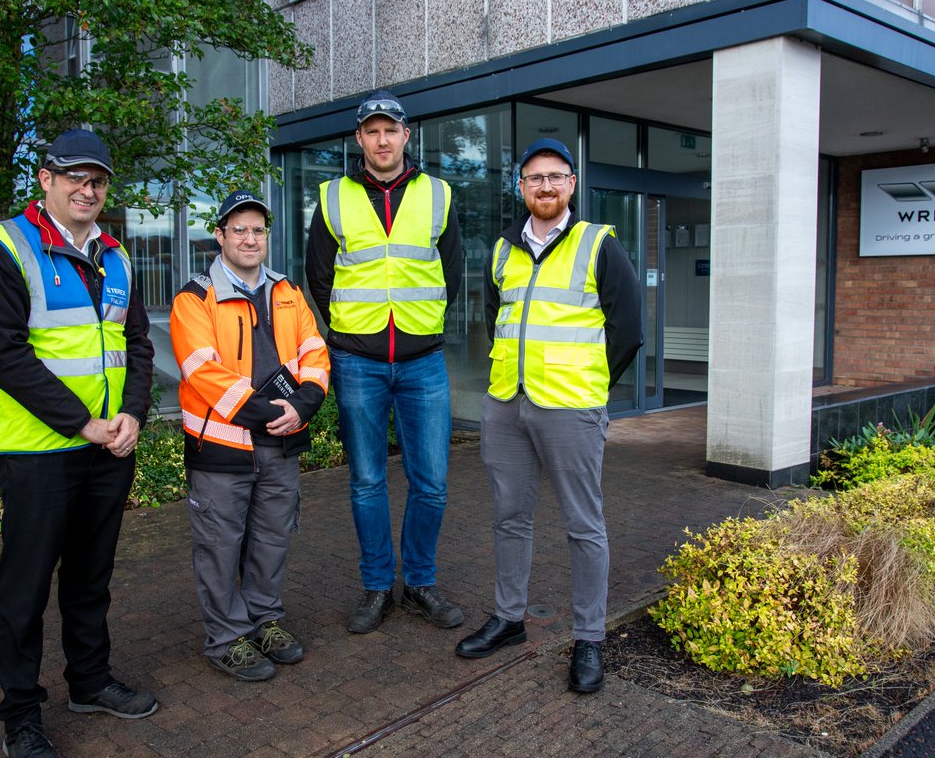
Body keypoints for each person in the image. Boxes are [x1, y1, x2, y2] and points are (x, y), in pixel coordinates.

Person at [0, 129, 157, 758]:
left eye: (97, 179)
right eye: (74, 175)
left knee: (90, 578)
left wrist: (130, 415)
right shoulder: (3, 249)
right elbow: (3, 354)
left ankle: (90, 681)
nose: (87, 188)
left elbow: (138, 348)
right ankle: (21, 716)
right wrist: (83, 422)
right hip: (39, 452)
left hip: (108, 448)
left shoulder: (117, 256)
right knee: (25, 588)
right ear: (44, 179)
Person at [455, 138, 643, 694]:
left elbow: (627, 330)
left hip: (571, 408)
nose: (544, 186)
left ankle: (589, 638)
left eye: (555, 177)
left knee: (584, 525)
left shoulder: (598, 245)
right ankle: (509, 618)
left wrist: (589, 388)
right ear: (520, 186)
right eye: (534, 178)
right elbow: (497, 321)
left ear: (572, 185)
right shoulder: (502, 251)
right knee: (510, 517)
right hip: (507, 404)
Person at [305, 89, 465, 634]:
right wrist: (352, 335)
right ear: (359, 139)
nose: (381, 139)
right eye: (371, 131)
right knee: (367, 481)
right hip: (359, 360)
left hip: (423, 360)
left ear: (406, 135)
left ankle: (419, 582)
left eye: (389, 130)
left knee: (433, 482)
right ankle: (377, 587)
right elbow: (319, 276)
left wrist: (423, 325)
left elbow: (453, 271)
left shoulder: (439, 194)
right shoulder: (332, 197)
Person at [170, 190, 330, 682]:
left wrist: (304, 404)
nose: (249, 237)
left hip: (280, 443)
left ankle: (264, 619)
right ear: (219, 237)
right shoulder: (194, 298)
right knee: (219, 545)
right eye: (237, 229)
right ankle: (224, 638)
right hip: (221, 447)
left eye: (257, 229)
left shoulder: (288, 292)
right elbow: (204, 372)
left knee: (271, 538)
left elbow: (315, 353)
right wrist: (271, 411)